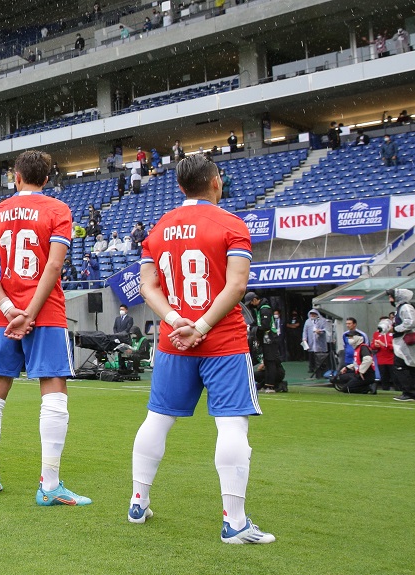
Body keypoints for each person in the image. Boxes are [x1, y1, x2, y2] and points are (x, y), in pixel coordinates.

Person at [129, 153, 274, 544]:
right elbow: (237, 285)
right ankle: (235, 522)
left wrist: (176, 322)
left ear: (180, 187)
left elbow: (148, 287)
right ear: (215, 182)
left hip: (173, 341)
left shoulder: (157, 229)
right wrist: (202, 326)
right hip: (222, 340)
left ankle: (138, 501)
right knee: (231, 425)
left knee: (157, 419)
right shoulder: (231, 224)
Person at [0, 150, 90, 505]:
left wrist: (10, 309)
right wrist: (30, 313)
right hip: (47, 313)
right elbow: (53, 267)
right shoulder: (58, 211)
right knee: (53, 390)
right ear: (47, 177)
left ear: (16, 176)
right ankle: (50, 485)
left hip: (3, 317)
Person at [388, 289, 415, 402]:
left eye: (391, 297)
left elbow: (410, 322)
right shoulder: (400, 308)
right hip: (402, 342)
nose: (390, 299)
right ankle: (411, 392)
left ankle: (410, 393)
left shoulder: (405, 307)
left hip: (406, 341)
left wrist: (395, 329)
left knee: (401, 366)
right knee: (409, 366)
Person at [246, 292, 285, 393]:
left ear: (255, 300)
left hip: (270, 339)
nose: (251, 305)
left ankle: (270, 385)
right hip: (266, 339)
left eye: (250, 302)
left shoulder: (265, 309)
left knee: (270, 362)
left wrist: (254, 329)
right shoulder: (260, 310)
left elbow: (265, 326)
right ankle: (267, 384)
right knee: (268, 362)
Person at [302, 309, 330, 378]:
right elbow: (305, 331)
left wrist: (320, 331)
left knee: (320, 354)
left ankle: (321, 367)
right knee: (311, 354)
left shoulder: (322, 320)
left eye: (314, 314)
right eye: (311, 314)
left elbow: (326, 329)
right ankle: (311, 367)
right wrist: (304, 338)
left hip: (320, 339)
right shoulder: (307, 321)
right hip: (311, 340)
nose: (313, 316)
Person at [372, 318, 397, 391]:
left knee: (395, 378)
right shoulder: (376, 334)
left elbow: (395, 347)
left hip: (391, 360)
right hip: (381, 360)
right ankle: (385, 391)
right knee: (384, 378)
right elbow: (372, 346)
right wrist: (375, 345)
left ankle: (398, 391)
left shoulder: (393, 334)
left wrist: (385, 345)